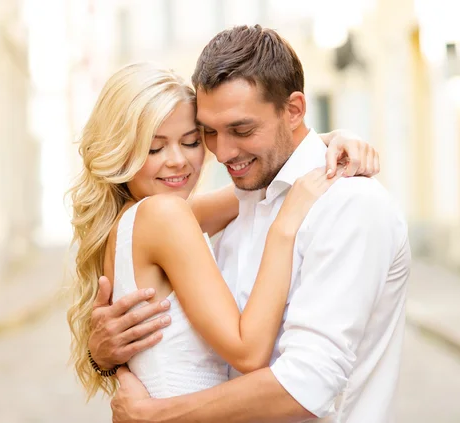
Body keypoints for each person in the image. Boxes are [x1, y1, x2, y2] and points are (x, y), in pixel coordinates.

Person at [98, 25, 411, 423]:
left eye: (241, 130)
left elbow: (307, 384)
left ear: (294, 110)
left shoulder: (349, 207)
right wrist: (103, 355)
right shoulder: (241, 202)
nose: (223, 153)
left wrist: (154, 416)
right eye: (209, 133)